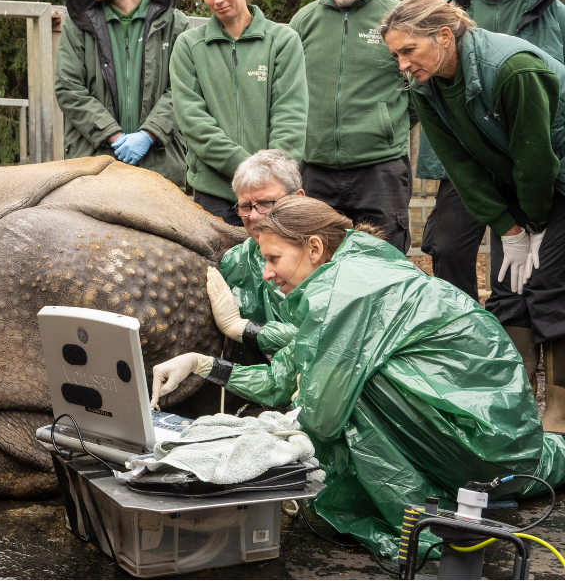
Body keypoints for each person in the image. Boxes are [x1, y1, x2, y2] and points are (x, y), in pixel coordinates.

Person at [152, 196, 565, 557]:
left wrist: (267, 435)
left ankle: (419, 520)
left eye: (274, 258)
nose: (266, 273)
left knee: (348, 396)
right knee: (337, 385)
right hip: (494, 426)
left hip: (480, 440)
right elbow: (284, 376)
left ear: (314, 247)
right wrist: (201, 363)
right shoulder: (355, 266)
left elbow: (322, 419)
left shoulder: (343, 291)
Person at [382, 0, 565, 431]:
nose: (403, 64)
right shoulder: (425, 85)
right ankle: (516, 403)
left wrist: (535, 225)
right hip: (517, 178)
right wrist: (508, 229)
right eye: (396, 55)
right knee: (506, 286)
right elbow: (462, 165)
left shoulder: (512, 69)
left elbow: (537, 160)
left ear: (444, 36)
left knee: (548, 284)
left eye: (409, 50)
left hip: (557, 176)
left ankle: (559, 412)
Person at [417, 0, 565, 301]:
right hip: (470, 149)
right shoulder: (447, 7)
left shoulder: (554, 12)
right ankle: (465, 334)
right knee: (447, 246)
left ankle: (525, 335)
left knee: (526, 269)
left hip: (531, 149)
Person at [289, 0, 411, 253]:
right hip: (315, 171)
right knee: (316, 262)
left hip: (380, 170)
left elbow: (420, 89)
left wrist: (387, 125)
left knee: (384, 263)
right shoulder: (303, 21)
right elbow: (286, 91)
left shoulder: (398, 17)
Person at [171, 0, 308, 224]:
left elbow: (290, 113)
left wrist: (267, 176)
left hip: (273, 192)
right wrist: (245, 168)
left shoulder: (282, 40)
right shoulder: (188, 46)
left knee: (275, 265)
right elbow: (193, 121)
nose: (217, 0)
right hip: (215, 192)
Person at [54, 0, 191, 183]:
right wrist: (114, 136)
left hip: (160, 168)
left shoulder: (175, 23)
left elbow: (185, 88)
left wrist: (149, 134)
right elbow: (68, 87)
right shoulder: (78, 22)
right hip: (94, 168)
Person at [212, 149, 306, 354]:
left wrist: (241, 328)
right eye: (245, 206)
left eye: (265, 203)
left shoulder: (328, 256)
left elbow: (323, 338)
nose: (253, 216)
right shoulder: (234, 261)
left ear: (298, 198)